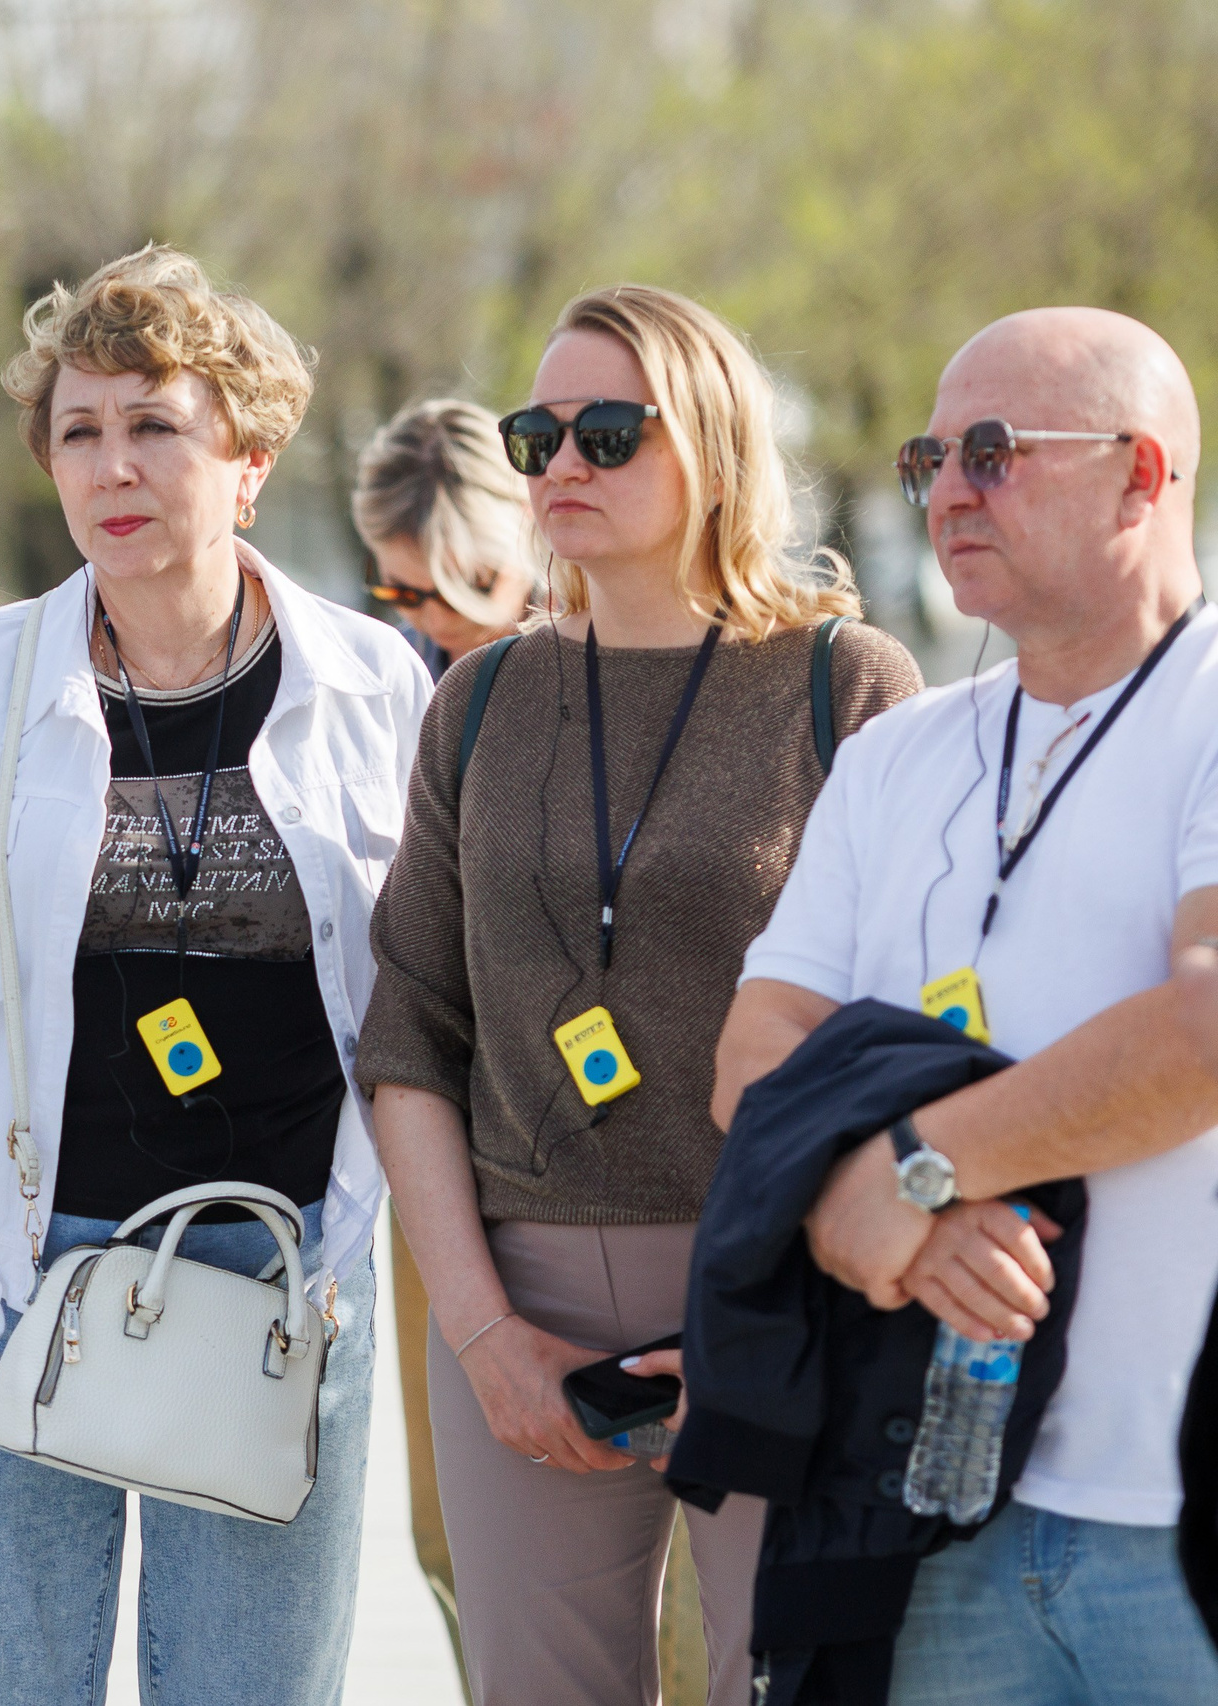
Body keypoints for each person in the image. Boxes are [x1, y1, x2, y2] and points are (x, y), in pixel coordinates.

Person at [0, 243, 425, 1706]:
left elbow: (421, 985)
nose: (114, 465)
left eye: (156, 424)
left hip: (281, 1268)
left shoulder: (373, 685)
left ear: (249, 458)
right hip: (6, 1274)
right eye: (80, 430)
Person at [356, 283, 922, 1706]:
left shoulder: (845, 684)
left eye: (608, 431)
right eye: (535, 434)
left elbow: (910, 1022)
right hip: (520, 1291)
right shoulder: (478, 702)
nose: (561, 464)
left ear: (715, 446)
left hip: (784, 1273)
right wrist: (480, 1333)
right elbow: (409, 1029)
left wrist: (820, 1274)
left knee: (785, 1679)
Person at [714, 306, 1218, 1703]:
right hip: (930, 1509)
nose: (945, 491)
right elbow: (755, 1054)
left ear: (1141, 473)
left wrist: (914, 1168)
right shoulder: (895, 759)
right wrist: (867, 1210)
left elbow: (1205, 1032)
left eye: (992, 451)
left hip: (1177, 1521)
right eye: (926, 457)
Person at [345, 393, 541, 1678]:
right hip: (434, 1140)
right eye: (398, 590)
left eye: (450, 585)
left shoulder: (598, 668)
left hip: (595, 1149)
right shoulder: (390, 684)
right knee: (449, 1532)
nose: (424, 615)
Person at [353, 397, 538, 675]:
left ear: (528, 519)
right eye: (404, 594)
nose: (437, 623)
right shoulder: (387, 675)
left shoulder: (594, 654)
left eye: (465, 588)